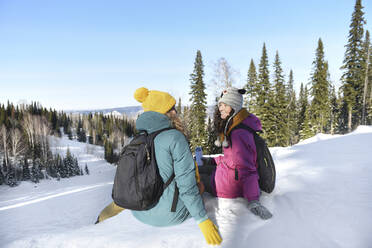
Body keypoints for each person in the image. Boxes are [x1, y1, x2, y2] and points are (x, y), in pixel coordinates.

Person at [95, 87, 222, 245]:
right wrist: (203, 221)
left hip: (140, 211)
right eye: (173, 108)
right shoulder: (175, 137)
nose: (176, 111)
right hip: (170, 216)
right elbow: (187, 186)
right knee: (202, 182)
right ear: (167, 112)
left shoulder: (139, 138)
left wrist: (110, 210)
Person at [199, 87, 272, 220]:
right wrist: (211, 161)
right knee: (198, 167)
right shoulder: (236, 125)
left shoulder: (238, 133)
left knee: (195, 174)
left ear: (234, 106)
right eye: (220, 104)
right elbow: (232, 159)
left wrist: (253, 201)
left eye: (225, 105)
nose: (220, 108)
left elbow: (248, 170)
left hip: (229, 186)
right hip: (227, 175)